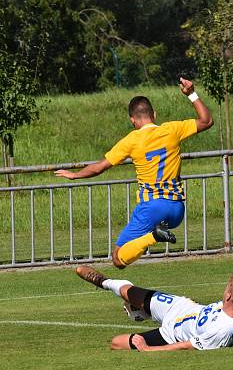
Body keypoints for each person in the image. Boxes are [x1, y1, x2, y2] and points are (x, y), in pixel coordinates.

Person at [54, 77, 213, 269]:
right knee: (140, 241)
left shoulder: (131, 140)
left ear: (132, 119)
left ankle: (155, 235)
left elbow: (100, 166)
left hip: (153, 206)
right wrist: (191, 94)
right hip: (177, 209)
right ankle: (156, 234)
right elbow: (207, 121)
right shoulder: (172, 129)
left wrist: (76, 175)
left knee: (118, 258)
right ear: (154, 114)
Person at [75, 250, 233, 352]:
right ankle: (104, 282)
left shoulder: (224, 329)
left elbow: (187, 345)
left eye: (226, 289)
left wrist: (149, 350)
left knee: (116, 342)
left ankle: (140, 313)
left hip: (170, 334)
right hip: (183, 307)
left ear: (228, 297)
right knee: (128, 291)